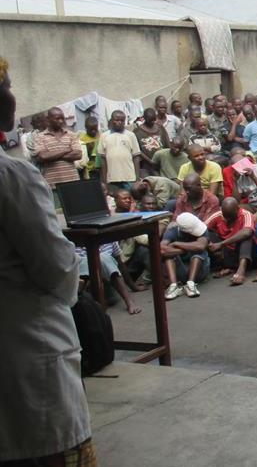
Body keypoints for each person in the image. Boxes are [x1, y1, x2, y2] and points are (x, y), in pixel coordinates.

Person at [0, 56, 98, 465]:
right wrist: (73, 283)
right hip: (27, 341)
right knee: (45, 447)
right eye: (7, 85)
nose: (12, 95)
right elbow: (57, 268)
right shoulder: (13, 176)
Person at [76, 241, 142, 315]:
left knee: (103, 257)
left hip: (107, 286)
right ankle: (84, 305)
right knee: (88, 260)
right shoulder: (75, 243)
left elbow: (120, 265)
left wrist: (134, 286)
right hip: (86, 286)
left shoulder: (110, 240)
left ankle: (129, 301)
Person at [205, 197, 256, 286]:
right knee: (206, 234)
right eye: (226, 216)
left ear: (238, 209)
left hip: (246, 254)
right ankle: (228, 267)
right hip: (226, 253)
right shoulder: (218, 215)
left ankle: (241, 271)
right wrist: (210, 243)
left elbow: (247, 232)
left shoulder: (246, 214)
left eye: (231, 216)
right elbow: (201, 228)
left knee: (247, 237)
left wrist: (221, 244)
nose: (228, 219)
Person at [161, 212, 210, 299]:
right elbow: (162, 250)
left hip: (199, 271)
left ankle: (191, 284)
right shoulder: (172, 231)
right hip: (181, 271)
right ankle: (173, 286)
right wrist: (184, 250)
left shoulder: (201, 227)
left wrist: (176, 244)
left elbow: (201, 246)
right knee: (168, 256)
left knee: (198, 252)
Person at [34, 106, 83, 189]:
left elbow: (78, 155)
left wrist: (52, 156)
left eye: (62, 118)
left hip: (72, 181)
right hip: (52, 184)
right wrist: (66, 150)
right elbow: (43, 156)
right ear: (48, 119)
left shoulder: (71, 135)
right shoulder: (40, 137)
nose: (61, 121)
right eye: (57, 119)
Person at [99, 109, 140, 191]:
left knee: (130, 197)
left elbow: (136, 157)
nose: (119, 122)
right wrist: (104, 180)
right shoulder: (104, 136)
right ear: (111, 120)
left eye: (122, 120)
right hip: (112, 179)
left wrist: (137, 178)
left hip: (129, 178)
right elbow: (103, 160)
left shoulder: (131, 135)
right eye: (117, 120)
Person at [134, 107, 170, 175]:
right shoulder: (137, 132)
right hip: (147, 164)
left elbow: (167, 143)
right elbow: (138, 150)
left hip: (163, 161)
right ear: (144, 118)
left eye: (154, 120)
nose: (152, 122)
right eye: (150, 120)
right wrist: (150, 161)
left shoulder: (160, 128)